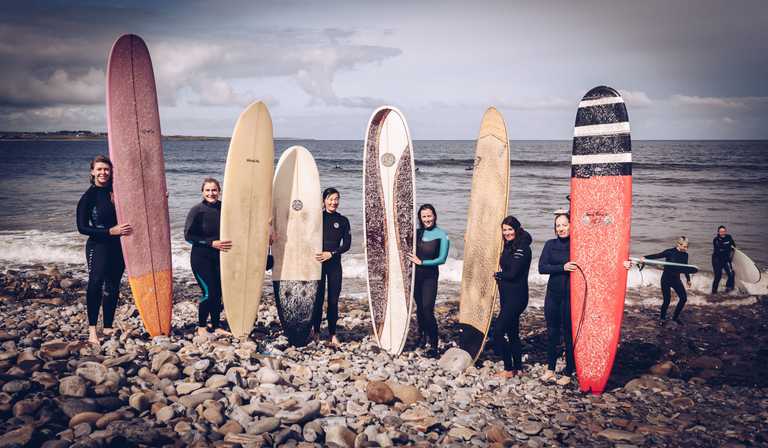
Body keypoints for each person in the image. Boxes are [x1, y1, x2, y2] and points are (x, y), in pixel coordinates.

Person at [76, 155, 131, 345]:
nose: (103, 172)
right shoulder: (89, 196)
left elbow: (139, 205)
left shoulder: (117, 192)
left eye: (106, 169)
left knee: (113, 285)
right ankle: (92, 330)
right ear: (92, 172)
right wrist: (109, 231)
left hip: (118, 246)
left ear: (111, 171)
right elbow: (82, 227)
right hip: (98, 245)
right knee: (95, 283)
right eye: (99, 169)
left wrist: (161, 196)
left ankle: (107, 326)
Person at [184, 178, 232, 338]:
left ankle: (216, 325)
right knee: (209, 293)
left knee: (218, 293)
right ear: (202, 192)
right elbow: (188, 236)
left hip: (221, 258)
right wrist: (211, 243)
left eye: (214, 190)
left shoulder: (225, 209)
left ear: (219, 191)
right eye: (208, 190)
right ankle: (202, 326)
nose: (211, 193)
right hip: (201, 258)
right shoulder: (197, 210)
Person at [406, 204, 450, 357]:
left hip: (430, 277)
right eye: (424, 216)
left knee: (427, 309)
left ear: (434, 216)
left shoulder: (442, 235)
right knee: (419, 308)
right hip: (415, 276)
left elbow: (442, 259)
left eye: (429, 216)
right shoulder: (416, 233)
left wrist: (421, 262)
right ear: (420, 218)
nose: (427, 219)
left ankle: (434, 345)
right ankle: (421, 337)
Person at [538, 211, 576, 385]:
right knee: (552, 333)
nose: (561, 228)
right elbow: (542, 268)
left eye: (564, 225)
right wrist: (563, 267)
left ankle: (568, 373)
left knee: (568, 334)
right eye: (558, 225)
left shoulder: (577, 245)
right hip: (552, 295)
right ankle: (550, 369)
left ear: (571, 225)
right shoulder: (550, 244)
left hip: (570, 296)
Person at [492, 216, 532, 378]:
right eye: (504, 230)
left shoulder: (523, 248)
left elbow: (513, 273)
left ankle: (508, 369)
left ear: (517, 229)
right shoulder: (509, 245)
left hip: (517, 297)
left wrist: (498, 275)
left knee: (498, 332)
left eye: (510, 229)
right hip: (507, 296)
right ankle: (518, 368)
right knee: (512, 332)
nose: (507, 233)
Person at [312, 188, 351, 346]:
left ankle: (332, 334)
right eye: (330, 199)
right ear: (324, 201)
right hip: (318, 264)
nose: (334, 202)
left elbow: (347, 244)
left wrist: (331, 253)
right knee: (318, 299)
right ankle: (316, 331)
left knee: (333, 300)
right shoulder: (316, 218)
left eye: (336, 199)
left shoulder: (343, 220)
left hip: (334, 264)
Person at [643, 236, 691, 325]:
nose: (686, 248)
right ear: (678, 244)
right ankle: (662, 318)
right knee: (667, 300)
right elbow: (657, 255)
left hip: (676, 279)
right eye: (684, 246)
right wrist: (645, 257)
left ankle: (675, 317)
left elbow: (685, 267)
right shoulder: (670, 252)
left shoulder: (685, 255)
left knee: (683, 298)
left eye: (687, 246)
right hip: (666, 279)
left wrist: (688, 279)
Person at [711, 225, 736, 294]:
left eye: (724, 231)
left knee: (731, 274)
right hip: (717, 259)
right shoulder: (716, 240)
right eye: (721, 232)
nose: (722, 233)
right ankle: (713, 292)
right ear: (718, 232)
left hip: (726, 259)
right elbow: (719, 250)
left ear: (725, 231)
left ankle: (728, 289)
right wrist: (728, 248)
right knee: (718, 276)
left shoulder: (729, 237)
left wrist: (731, 255)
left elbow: (733, 246)